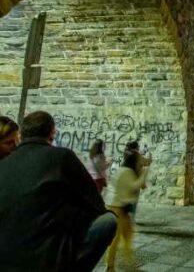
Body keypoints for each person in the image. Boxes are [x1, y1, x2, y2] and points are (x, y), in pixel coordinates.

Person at [0, 111, 117, 271]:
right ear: (52, 134)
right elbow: (95, 203)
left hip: (7, 256)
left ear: (21, 135)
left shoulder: (5, 164)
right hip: (46, 260)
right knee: (108, 221)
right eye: (8, 143)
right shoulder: (62, 157)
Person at [104, 150, 150, 271]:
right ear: (134, 162)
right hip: (116, 209)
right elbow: (135, 186)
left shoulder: (128, 171)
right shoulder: (126, 172)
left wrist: (142, 171)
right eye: (139, 162)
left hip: (121, 210)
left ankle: (130, 265)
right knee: (115, 240)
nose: (141, 164)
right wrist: (145, 172)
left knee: (127, 237)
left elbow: (143, 186)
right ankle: (110, 266)